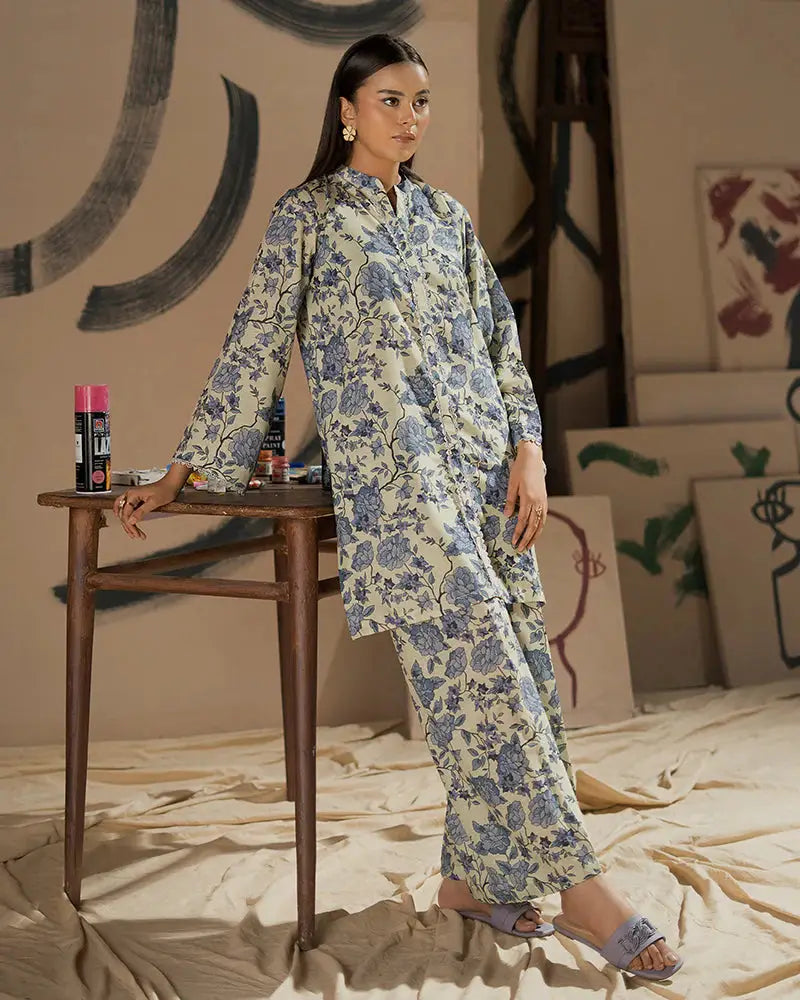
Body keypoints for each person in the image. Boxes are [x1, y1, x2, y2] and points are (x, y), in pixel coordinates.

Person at [112, 33, 683, 980]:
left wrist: (530, 452)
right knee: (484, 678)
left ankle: (469, 881)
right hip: (401, 490)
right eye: (389, 100)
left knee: (520, 671)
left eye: (420, 102)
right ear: (346, 111)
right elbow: (256, 344)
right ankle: (584, 888)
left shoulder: (445, 218)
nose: (409, 117)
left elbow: (500, 343)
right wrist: (183, 473)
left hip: (488, 475)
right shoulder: (306, 218)